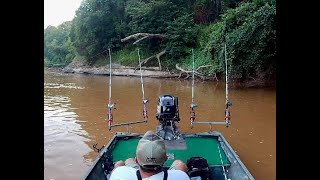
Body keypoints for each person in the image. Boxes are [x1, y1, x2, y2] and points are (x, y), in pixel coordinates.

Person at [109, 130, 190, 180]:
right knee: (179, 164)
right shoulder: (181, 177)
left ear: (137, 160)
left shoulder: (119, 173)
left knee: (125, 162)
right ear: (166, 158)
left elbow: (119, 168)